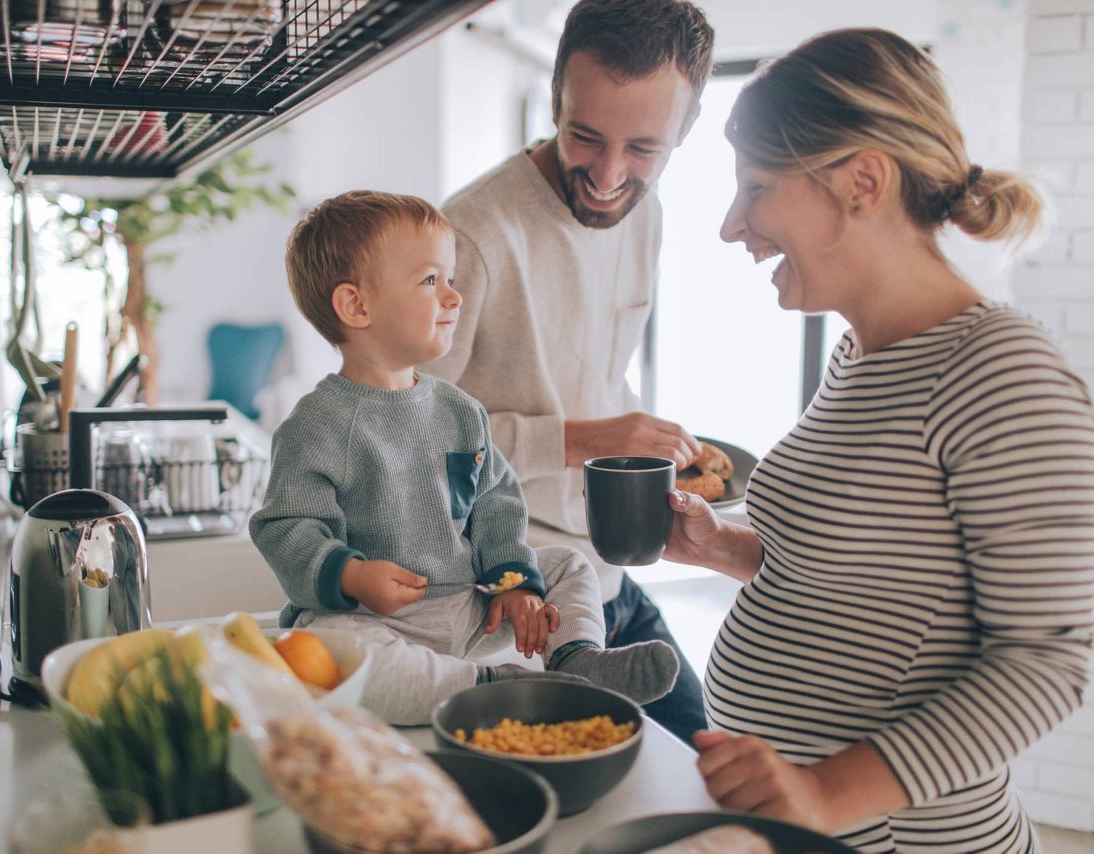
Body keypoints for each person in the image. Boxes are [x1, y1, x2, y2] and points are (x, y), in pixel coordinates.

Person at [661, 28, 1094, 852]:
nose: (730, 227)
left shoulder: (1000, 372)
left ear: (862, 181)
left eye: (755, 188)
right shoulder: (862, 356)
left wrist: (826, 793)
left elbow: (1047, 662)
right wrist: (724, 548)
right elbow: (872, 586)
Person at [250, 190, 678, 725]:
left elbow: (497, 503)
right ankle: (498, 688)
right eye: (431, 281)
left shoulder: (459, 410)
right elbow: (286, 526)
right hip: (376, 620)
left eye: (450, 279)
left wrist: (514, 580)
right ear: (356, 306)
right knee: (332, 651)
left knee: (569, 563)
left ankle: (577, 659)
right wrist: (353, 576)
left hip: (468, 605)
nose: (454, 297)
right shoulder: (317, 425)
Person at [423, 0, 715, 743]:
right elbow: (413, 440)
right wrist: (582, 438)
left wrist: (648, 455)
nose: (610, 176)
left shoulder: (644, 217)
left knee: (713, 756)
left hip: (608, 574)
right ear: (555, 96)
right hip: (515, 594)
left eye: (644, 148)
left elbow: (594, 371)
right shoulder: (472, 233)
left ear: (686, 129)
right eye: (585, 136)